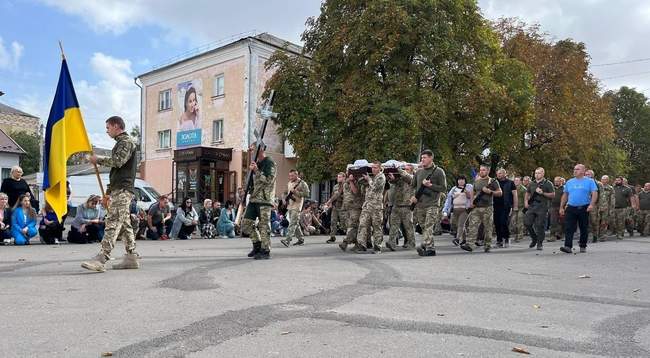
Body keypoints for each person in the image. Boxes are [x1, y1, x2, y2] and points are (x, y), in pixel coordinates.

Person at [81, 116, 139, 272]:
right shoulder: (121, 143)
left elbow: (118, 161)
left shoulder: (126, 142)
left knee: (112, 222)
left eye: (108, 128)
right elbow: (116, 172)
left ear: (116, 126)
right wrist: (108, 194)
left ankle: (102, 259)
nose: (106, 131)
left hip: (123, 189)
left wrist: (97, 159)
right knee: (125, 224)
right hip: (118, 188)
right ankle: (131, 257)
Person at [241, 144, 276, 260]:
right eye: (250, 150)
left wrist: (256, 171)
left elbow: (269, 180)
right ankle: (257, 245)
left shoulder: (269, 162)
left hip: (264, 199)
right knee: (246, 224)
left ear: (260, 149)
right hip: (254, 198)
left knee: (264, 225)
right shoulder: (256, 163)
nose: (251, 151)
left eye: (252, 149)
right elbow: (253, 183)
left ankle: (265, 250)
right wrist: (246, 191)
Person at [411, 150, 447, 257]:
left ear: (431, 158)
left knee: (428, 226)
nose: (422, 159)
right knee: (423, 227)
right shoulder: (419, 172)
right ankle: (425, 244)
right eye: (422, 158)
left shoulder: (438, 171)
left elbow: (444, 188)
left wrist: (430, 185)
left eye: (425, 157)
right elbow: (413, 185)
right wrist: (413, 197)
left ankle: (430, 249)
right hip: (420, 205)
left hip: (432, 203)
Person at [559, 164, 598, 253]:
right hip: (571, 207)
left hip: (584, 207)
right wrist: (561, 207)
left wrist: (591, 204)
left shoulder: (590, 181)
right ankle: (568, 246)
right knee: (569, 227)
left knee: (583, 227)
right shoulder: (569, 182)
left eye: (577, 169)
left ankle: (583, 245)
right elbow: (565, 194)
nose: (575, 171)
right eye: (574, 169)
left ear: (583, 171)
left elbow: (594, 193)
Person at [466, 165, 501, 252]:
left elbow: (500, 193)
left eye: (483, 170)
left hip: (487, 207)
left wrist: (490, 192)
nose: (481, 171)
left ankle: (487, 245)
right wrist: (471, 202)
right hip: (476, 207)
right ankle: (470, 245)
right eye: (480, 170)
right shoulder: (477, 181)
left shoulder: (492, 181)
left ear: (488, 171)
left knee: (488, 227)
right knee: (472, 226)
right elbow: (473, 192)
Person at [387, 164, 417, 250]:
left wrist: (398, 169)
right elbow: (392, 182)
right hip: (397, 205)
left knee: (408, 226)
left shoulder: (412, 178)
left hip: (407, 206)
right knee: (394, 225)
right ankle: (391, 242)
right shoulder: (400, 178)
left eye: (407, 169)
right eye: (404, 169)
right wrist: (392, 177)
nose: (405, 170)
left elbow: (406, 176)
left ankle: (411, 243)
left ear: (411, 170)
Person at [524, 167, 555, 250]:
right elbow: (527, 193)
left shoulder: (548, 183)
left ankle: (539, 243)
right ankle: (534, 238)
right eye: (536, 173)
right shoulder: (531, 183)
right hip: (532, 206)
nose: (537, 174)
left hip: (542, 207)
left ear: (543, 174)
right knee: (527, 223)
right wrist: (526, 202)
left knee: (540, 225)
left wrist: (543, 193)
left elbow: (553, 195)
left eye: (539, 173)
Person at [442, 175, 473, 251]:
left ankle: (457, 239)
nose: (461, 181)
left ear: (465, 180)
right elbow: (448, 200)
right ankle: (464, 239)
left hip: (465, 209)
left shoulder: (469, 187)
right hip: (455, 209)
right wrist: (445, 211)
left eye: (462, 180)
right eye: (459, 180)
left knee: (461, 224)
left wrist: (467, 193)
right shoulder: (454, 189)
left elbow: (471, 197)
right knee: (455, 224)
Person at [280, 169, 310, 247]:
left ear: (296, 175)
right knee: (295, 223)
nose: (290, 177)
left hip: (297, 206)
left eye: (292, 175)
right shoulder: (289, 183)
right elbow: (284, 192)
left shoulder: (302, 183)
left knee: (293, 222)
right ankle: (301, 239)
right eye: (289, 175)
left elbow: (307, 194)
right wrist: (283, 199)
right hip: (290, 205)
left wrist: (296, 192)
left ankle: (287, 240)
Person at [338, 171, 366, 251]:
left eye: (350, 172)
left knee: (354, 226)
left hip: (356, 207)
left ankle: (346, 242)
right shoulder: (346, 182)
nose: (348, 173)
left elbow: (356, 192)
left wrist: (351, 181)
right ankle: (357, 243)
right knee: (352, 226)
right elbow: (341, 193)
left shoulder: (358, 181)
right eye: (347, 172)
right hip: (348, 207)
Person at [493, 169, 517, 248]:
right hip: (495, 205)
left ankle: (506, 238)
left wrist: (515, 206)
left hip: (506, 205)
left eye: (500, 173)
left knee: (503, 222)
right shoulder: (494, 182)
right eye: (498, 173)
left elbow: (514, 195)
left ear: (505, 174)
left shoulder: (510, 183)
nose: (499, 175)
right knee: (497, 223)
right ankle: (499, 240)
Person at [324, 172, 346, 244]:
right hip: (335, 206)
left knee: (344, 223)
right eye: (337, 177)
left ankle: (348, 237)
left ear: (344, 178)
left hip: (343, 206)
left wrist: (329, 201)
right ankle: (332, 236)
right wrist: (331, 204)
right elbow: (333, 195)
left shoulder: (346, 186)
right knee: (333, 222)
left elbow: (337, 195)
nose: (338, 178)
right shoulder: (335, 186)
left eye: (340, 177)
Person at [612, 176, 635, 240]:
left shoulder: (627, 189)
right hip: (613, 207)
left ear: (622, 181)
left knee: (621, 222)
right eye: (616, 180)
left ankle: (620, 234)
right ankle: (616, 233)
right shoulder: (612, 188)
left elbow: (631, 197)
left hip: (623, 208)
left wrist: (633, 205)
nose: (617, 181)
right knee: (614, 221)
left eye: (618, 180)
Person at [510, 177, 526, 243]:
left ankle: (520, 235)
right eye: (515, 180)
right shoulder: (512, 188)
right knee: (513, 221)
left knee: (520, 221)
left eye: (517, 180)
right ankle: (516, 235)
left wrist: (526, 208)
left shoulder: (523, 189)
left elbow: (526, 199)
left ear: (520, 181)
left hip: (521, 207)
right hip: (514, 207)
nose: (516, 181)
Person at [548, 176, 565, 242]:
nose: (556, 182)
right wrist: (549, 207)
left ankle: (560, 234)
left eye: (557, 181)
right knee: (553, 221)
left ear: (561, 182)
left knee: (562, 221)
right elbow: (549, 198)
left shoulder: (564, 188)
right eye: (555, 181)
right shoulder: (552, 188)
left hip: (561, 206)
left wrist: (564, 206)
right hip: (553, 206)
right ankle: (552, 236)